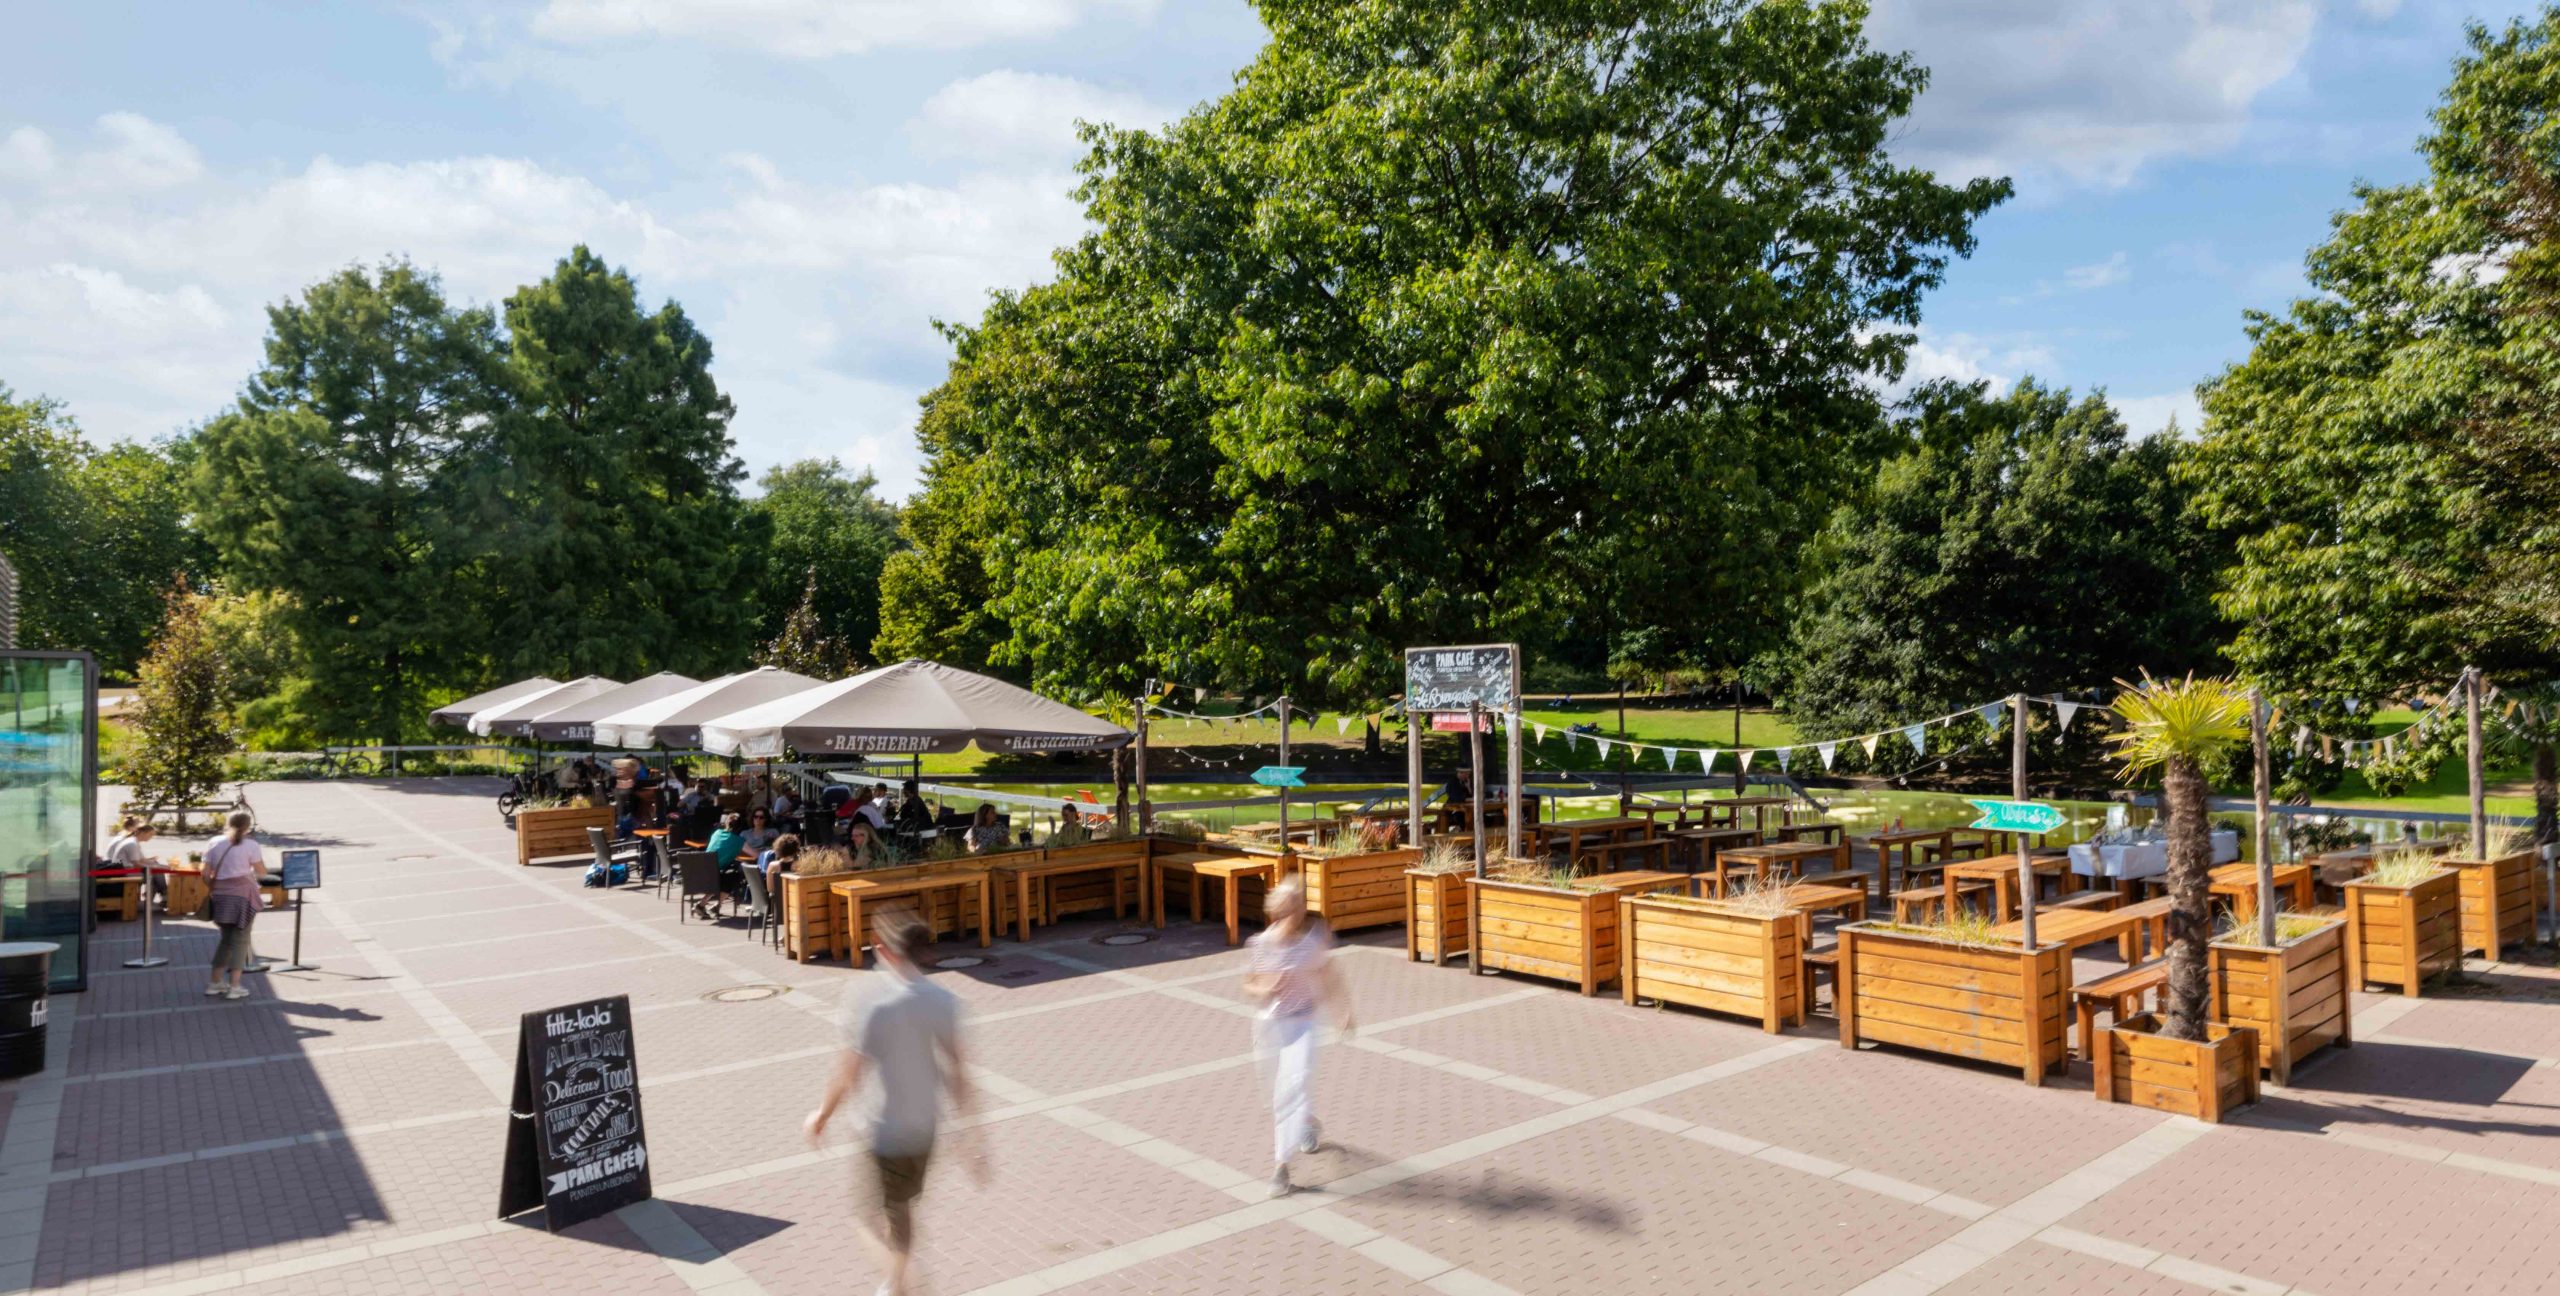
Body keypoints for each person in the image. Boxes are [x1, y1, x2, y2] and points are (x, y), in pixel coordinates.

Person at [807, 913, 979, 1296]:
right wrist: (973, 1139)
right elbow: (959, 1073)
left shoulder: (873, 1003)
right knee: (901, 1211)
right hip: (924, 1129)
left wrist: (822, 1115)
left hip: (883, 1130)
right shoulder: (944, 1001)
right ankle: (900, 1279)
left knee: (866, 1218)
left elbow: (849, 1073)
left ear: (885, 950)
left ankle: (903, 1282)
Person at [1241, 876, 1352, 1197]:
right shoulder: (1261, 944)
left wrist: (1343, 1012)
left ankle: (1281, 1168)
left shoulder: (1311, 943)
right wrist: (1263, 987)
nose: (1293, 914)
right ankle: (1305, 1123)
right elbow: (1249, 984)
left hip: (1302, 1023)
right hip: (1269, 1025)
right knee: (1274, 1096)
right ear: (1276, 910)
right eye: (1287, 908)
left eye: (1298, 907)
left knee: (1291, 1088)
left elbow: (1330, 974)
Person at [201, 811, 266, 999]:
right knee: (240, 941)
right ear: (247, 826)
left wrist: (215, 887)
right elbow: (261, 871)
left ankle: (214, 983)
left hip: (221, 895)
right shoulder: (251, 845)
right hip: (243, 895)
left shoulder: (214, 842)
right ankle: (234, 986)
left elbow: (205, 874)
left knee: (226, 940)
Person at [103, 814, 165, 899]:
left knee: (156, 870)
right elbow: (136, 863)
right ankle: (163, 893)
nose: (151, 837)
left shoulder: (133, 841)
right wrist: (155, 867)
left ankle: (156, 897)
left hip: (124, 867)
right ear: (143, 833)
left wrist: (158, 865)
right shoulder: (132, 844)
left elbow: (141, 859)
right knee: (155, 874)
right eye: (150, 834)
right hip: (123, 870)